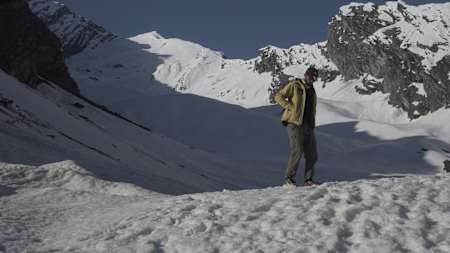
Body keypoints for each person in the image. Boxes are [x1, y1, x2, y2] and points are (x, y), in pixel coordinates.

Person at [274, 67, 320, 187]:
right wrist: (289, 106)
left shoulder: (312, 90)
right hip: (294, 123)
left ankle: (308, 180)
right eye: (311, 77)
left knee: (312, 154)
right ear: (306, 75)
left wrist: (312, 123)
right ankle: (288, 179)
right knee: (297, 150)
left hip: (308, 125)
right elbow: (279, 96)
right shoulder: (295, 85)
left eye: (314, 78)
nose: (312, 80)